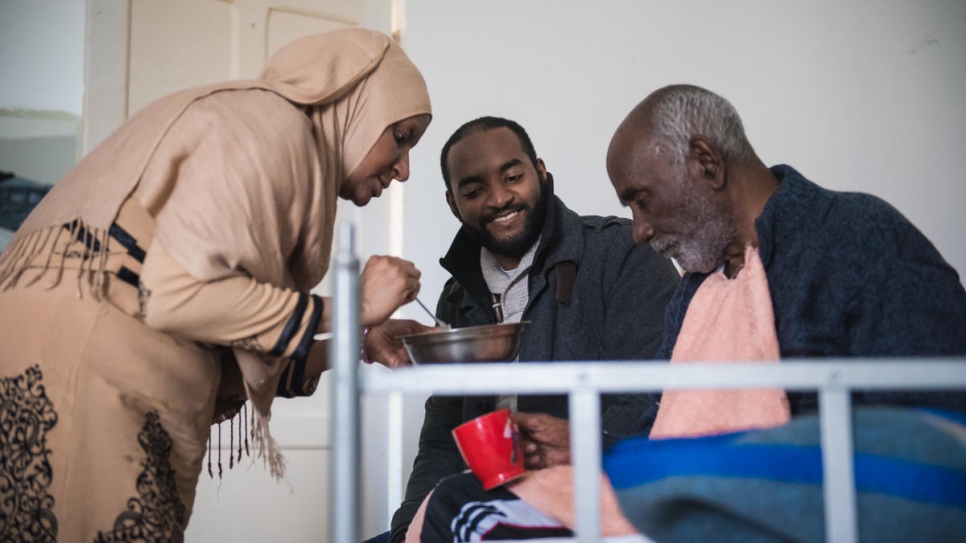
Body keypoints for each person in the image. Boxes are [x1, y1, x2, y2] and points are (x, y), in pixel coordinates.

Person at [413, 85, 966, 542]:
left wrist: (726, 469)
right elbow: (664, 437)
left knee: (466, 511)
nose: (640, 230)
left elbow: (939, 434)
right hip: (681, 499)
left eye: (643, 201)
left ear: (706, 162)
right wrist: (578, 444)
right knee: (456, 501)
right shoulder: (697, 290)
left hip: (791, 510)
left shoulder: (854, 237)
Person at [0, 28, 434, 541]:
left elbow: (232, 325)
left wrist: (358, 342)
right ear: (354, 103)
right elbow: (176, 297)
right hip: (88, 376)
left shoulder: (250, 129)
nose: (404, 169)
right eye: (400, 137)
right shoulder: (276, 126)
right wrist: (354, 305)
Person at [386, 116, 681, 543]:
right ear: (453, 203)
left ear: (540, 172)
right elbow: (442, 439)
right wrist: (405, 531)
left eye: (512, 176)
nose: (499, 198)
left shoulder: (623, 254)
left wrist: (555, 470)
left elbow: (654, 401)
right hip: (483, 509)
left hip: (595, 505)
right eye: (474, 191)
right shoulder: (458, 296)